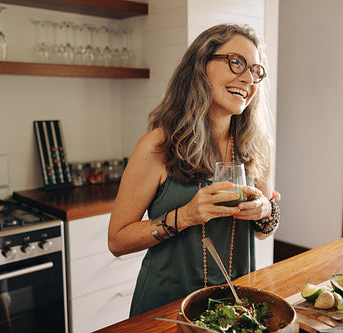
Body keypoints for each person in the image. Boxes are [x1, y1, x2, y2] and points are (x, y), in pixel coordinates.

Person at [108, 23, 280, 317]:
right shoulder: (157, 145)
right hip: (165, 307)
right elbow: (117, 240)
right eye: (236, 62)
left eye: (255, 70)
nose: (248, 79)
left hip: (234, 306)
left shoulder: (254, 146)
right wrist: (186, 215)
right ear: (200, 65)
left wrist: (266, 210)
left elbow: (263, 232)